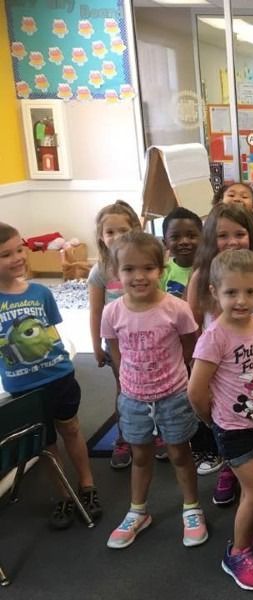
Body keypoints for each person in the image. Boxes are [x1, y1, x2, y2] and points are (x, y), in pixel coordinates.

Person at [101, 232, 207, 550]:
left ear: (161, 270)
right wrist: (128, 385)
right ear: (116, 274)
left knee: (179, 452)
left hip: (173, 395)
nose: (139, 276)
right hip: (133, 398)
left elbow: (191, 348)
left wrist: (181, 382)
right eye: (129, 269)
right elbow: (115, 351)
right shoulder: (113, 313)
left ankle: (191, 507)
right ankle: (138, 511)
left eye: (147, 268)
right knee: (141, 455)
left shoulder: (176, 308)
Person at [189, 249, 253, 590]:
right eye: (231, 292)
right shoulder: (214, 337)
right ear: (215, 292)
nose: (241, 300)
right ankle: (238, 551)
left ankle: (252, 537)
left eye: (250, 292)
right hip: (233, 430)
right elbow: (196, 391)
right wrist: (213, 419)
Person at [0, 222, 102, 529]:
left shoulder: (41, 292)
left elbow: (52, 333)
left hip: (58, 376)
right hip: (23, 385)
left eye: (20, 249)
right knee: (45, 443)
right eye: (6, 254)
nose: (18, 257)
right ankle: (63, 494)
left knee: (70, 429)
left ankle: (87, 486)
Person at [186, 204, 253, 503]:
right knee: (227, 424)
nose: (232, 241)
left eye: (240, 234)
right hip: (216, 366)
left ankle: (249, 477)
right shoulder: (200, 277)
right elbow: (191, 323)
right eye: (222, 235)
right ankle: (229, 467)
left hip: (249, 362)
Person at [87, 200, 147, 469]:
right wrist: (96, 346)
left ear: (135, 229)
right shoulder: (100, 271)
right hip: (118, 346)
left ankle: (154, 433)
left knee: (155, 387)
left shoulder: (146, 264)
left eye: (122, 230)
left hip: (149, 341)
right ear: (101, 236)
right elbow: (96, 310)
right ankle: (124, 436)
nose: (116, 237)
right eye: (110, 232)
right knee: (125, 391)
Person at [160, 207, 202, 299]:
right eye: (175, 237)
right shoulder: (162, 272)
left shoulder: (210, 269)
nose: (184, 242)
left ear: (203, 238)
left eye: (191, 236)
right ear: (165, 243)